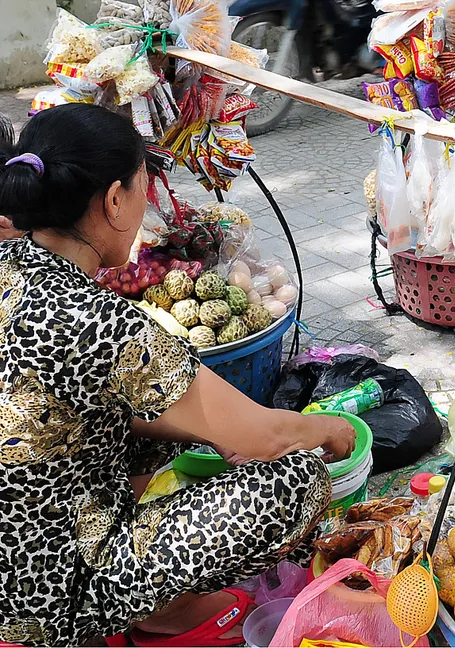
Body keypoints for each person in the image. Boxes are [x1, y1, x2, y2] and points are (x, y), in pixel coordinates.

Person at [0, 104, 357, 647]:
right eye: (144, 186)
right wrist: (332, 432)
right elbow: (266, 435)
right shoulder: (101, 323)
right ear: (114, 200)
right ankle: (141, 606)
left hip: (18, 560)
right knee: (296, 480)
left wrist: (210, 430)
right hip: (54, 597)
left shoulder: (12, 269)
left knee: (159, 419)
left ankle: (150, 595)